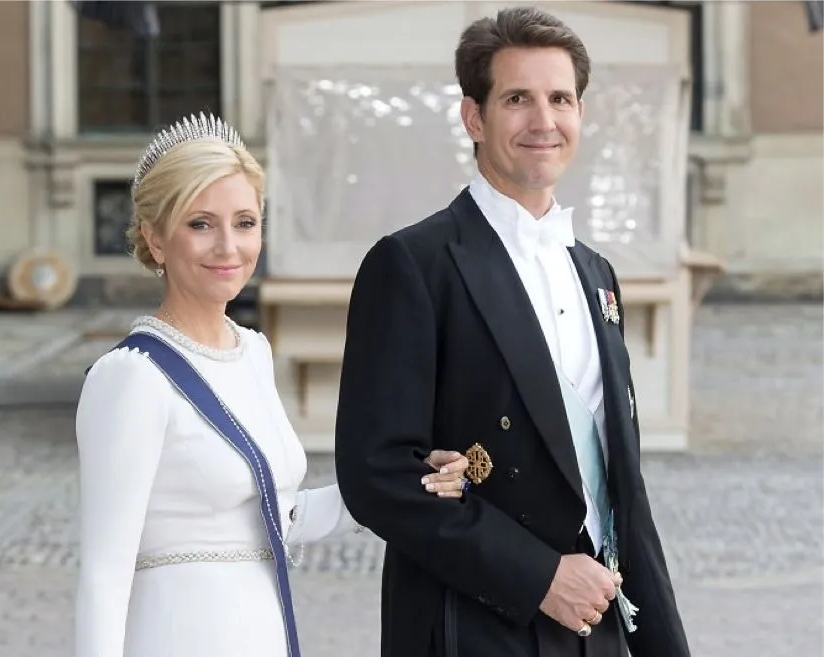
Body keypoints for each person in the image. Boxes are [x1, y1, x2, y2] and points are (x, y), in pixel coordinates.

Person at [334, 7, 690, 657]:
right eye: (518, 99)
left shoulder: (597, 275)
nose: (543, 121)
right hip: (471, 625)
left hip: (598, 626)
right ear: (474, 117)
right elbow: (375, 473)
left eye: (561, 99)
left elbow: (624, 493)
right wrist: (540, 577)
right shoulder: (413, 264)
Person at [74, 112, 471, 657]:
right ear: (155, 238)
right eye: (200, 224)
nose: (228, 247)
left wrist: (406, 480)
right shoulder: (131, 376)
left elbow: (278, 517)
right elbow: (103, 572)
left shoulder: (253, 354)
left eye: (244, 222)